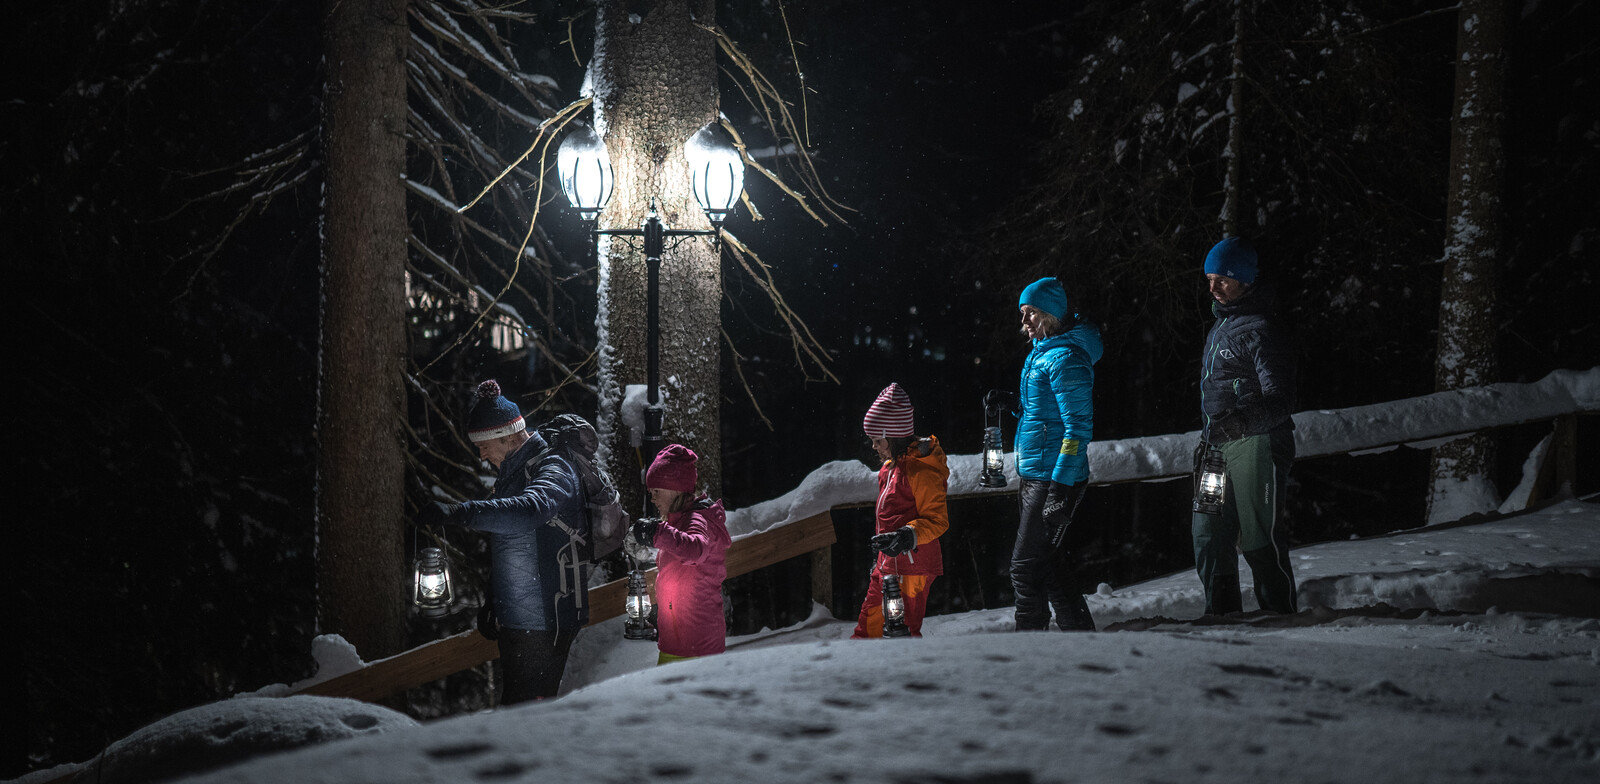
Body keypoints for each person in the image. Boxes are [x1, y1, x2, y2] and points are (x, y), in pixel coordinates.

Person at [420, 379, 590, 703]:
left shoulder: (554, 467)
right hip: (519, 620)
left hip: (546, 619)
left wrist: (460, 512)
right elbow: (512, 542)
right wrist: (493, 599)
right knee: (518, 710)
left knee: (526, 716)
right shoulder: (512, 474)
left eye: (485, 444)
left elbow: (530, 510)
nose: (481, 455)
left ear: (511, 435)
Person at [986, 276, 1102, 631]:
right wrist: (1015, 404)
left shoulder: (1065, 359)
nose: (1024, 323)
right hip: (1037, 473)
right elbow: (1045, 414)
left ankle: (1029, 644)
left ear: (1050, 315)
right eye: (1022, 314)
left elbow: (1077, 429)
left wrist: (1060, 488)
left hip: (1052, 478)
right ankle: (1079, 636)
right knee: (1048, 564)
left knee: (1024, 568)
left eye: (1030, 314)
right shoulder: (1045, 352)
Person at [1192, 236, 1298, 615]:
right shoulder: (1222, 325)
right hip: (1217, 448)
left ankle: (1279, 615)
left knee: (1258, 537)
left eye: (1222, 278)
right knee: (1208, 534)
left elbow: (1282, 399)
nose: (1213, 287)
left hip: (1257, 443)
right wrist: (1211, 437)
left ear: (1246, 279)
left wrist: (1239, 423)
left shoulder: (1262, 328)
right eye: (1208, 278)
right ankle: (1221, 616)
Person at [851, 383, 949, 639]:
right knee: (868, 628)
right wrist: (879, 556)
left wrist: (906, 536)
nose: (873, 446)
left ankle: (906, 674)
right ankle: (860, 672)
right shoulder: (889, 468)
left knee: (901, 631)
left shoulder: (921, 470)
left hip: (913, 567)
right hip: (887, 564)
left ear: (894, 435)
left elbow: (937, 521)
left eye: (878, 440)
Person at [629, 444, 731, 664]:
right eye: (651, 493)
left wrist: (656, 531)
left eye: (657, 492)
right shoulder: (679, 521)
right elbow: (677, 563)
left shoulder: (698, 519)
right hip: (677, 642)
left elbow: (696, 550)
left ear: (675, 489)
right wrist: (647, 548)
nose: (653, 499)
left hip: (697, 645)